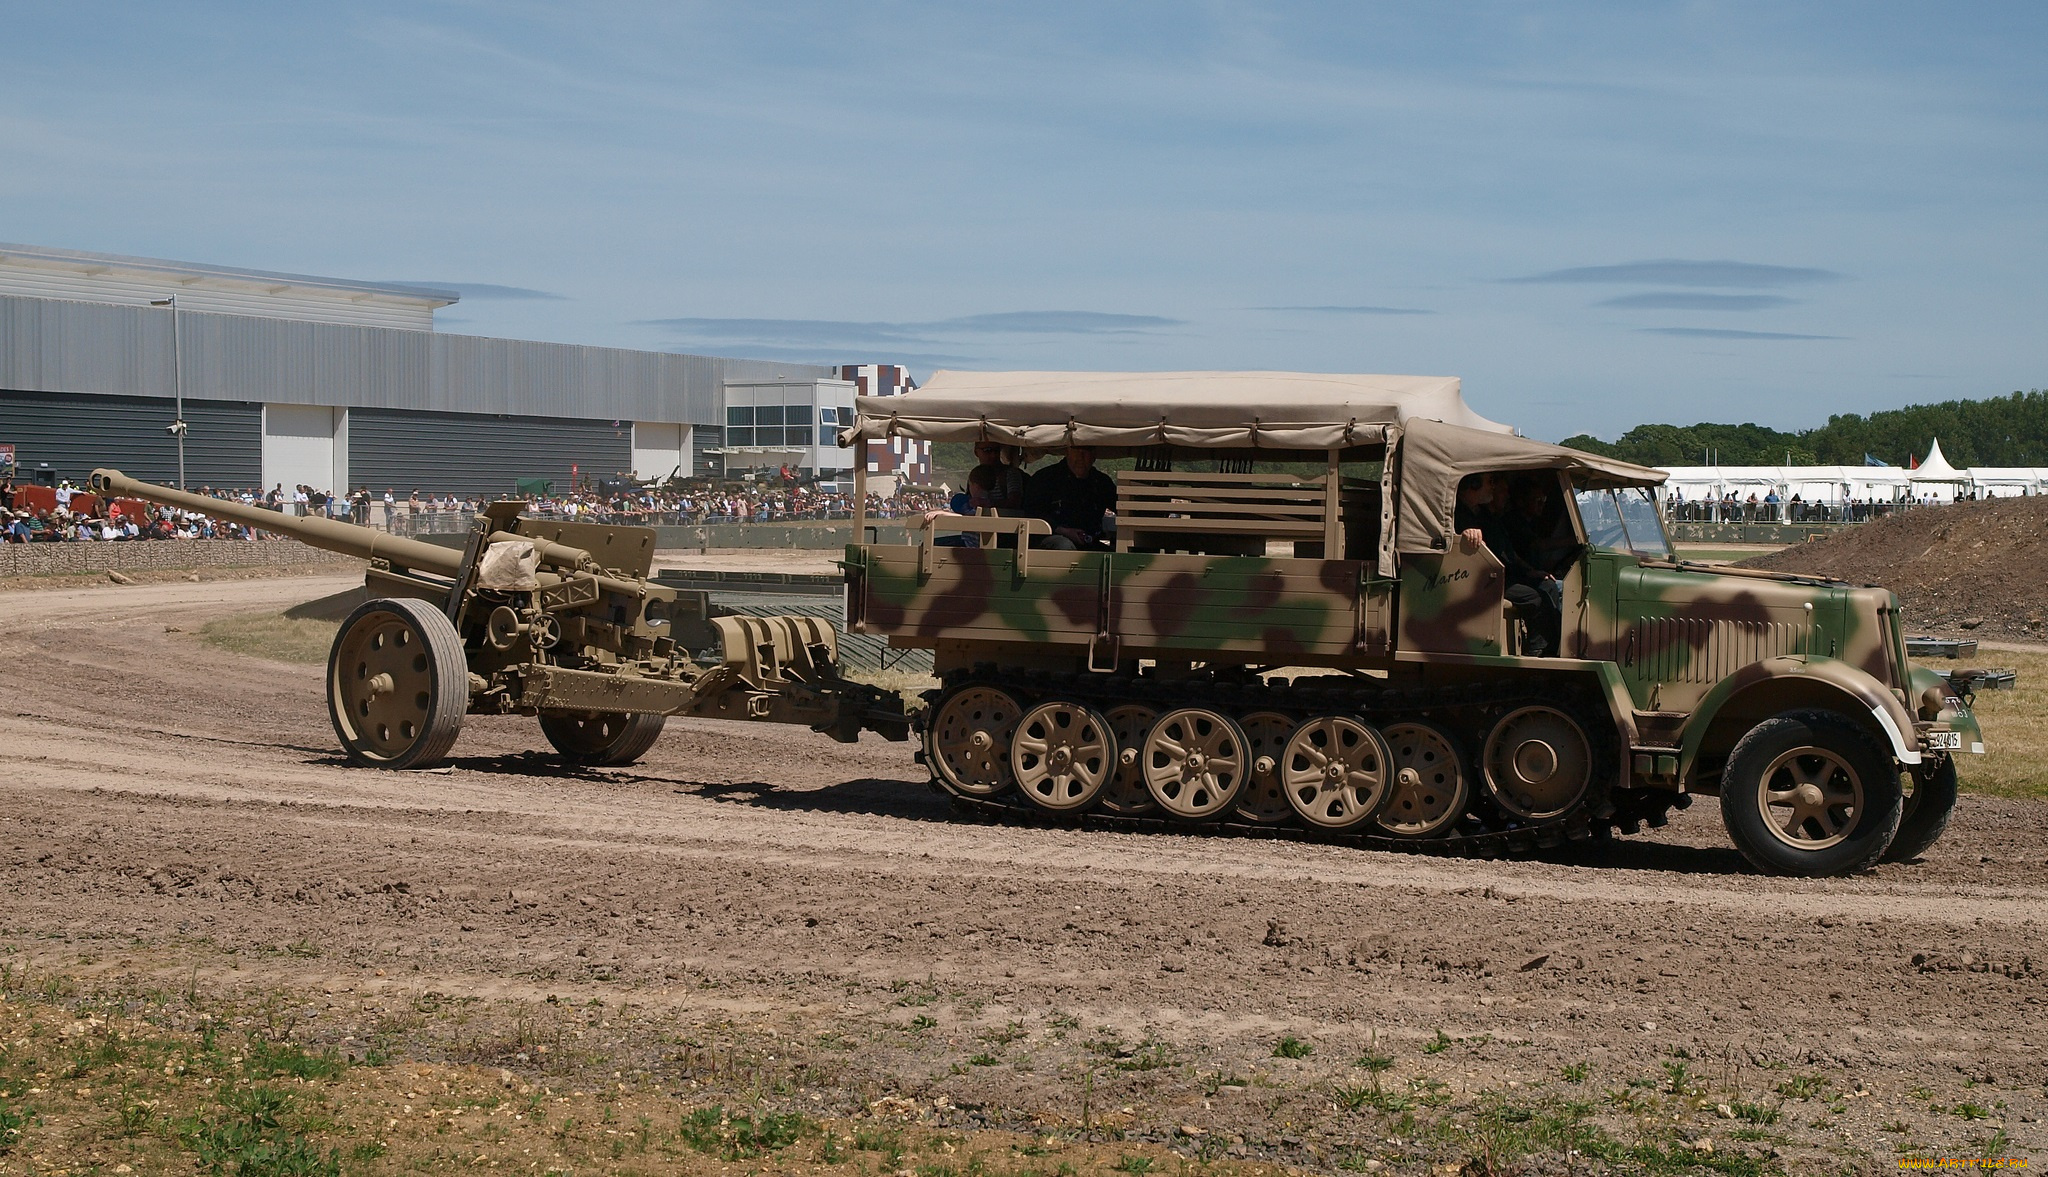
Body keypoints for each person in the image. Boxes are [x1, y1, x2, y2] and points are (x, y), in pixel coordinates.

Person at [1024, 445, 1116, 550]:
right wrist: (1062, 530)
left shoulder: (1101, 482)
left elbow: (1120, 506)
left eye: (1086, 451)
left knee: (1118, 558)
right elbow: (1032, 512)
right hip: (1053, 538)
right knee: (1063, 546)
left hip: (1088, 540)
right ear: (1067, 452)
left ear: (1094, 455)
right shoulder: (1045, 479)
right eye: (1076, 450)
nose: (1080, 457)